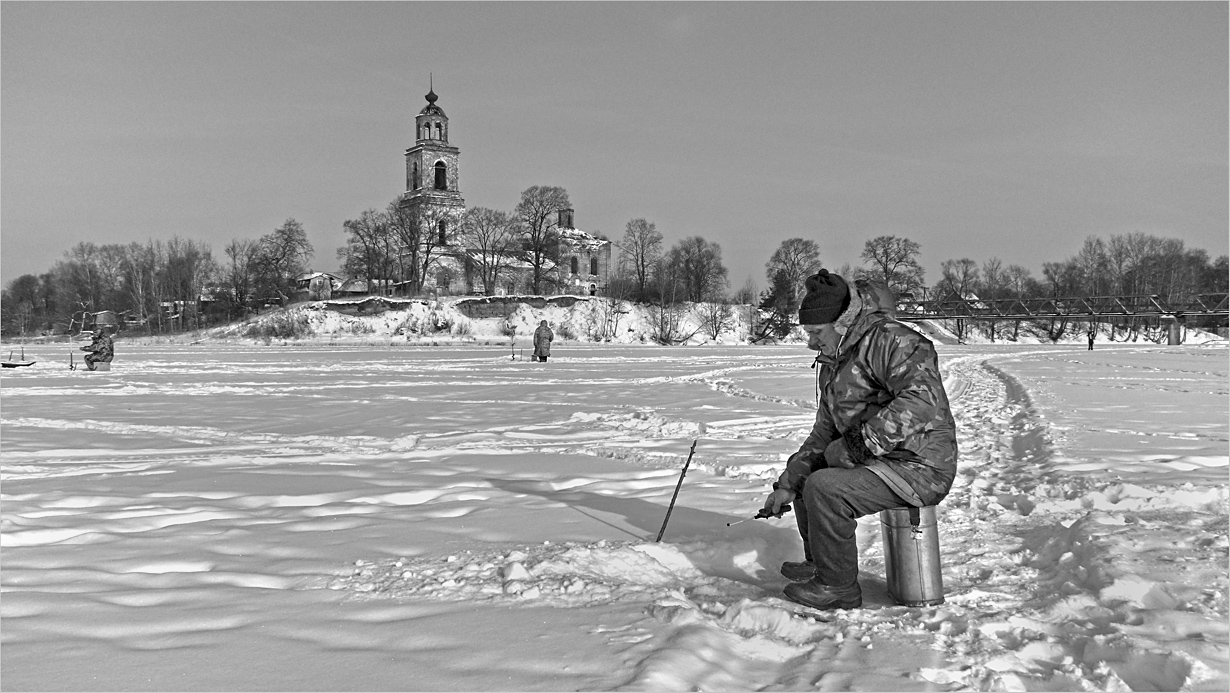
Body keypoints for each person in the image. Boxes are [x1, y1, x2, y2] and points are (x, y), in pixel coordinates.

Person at [762, 269, 957, 610]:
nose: (810, 342)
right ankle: (822, 563)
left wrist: (858, 445)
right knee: (811, 476)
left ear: (840, 324)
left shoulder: (894, 341)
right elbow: (824, 432)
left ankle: (838, 588)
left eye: (815, 332)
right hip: (880, 460)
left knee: (825, 487)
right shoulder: (834, 360)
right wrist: (788, 483)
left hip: (919, 466)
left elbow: (923, 400)